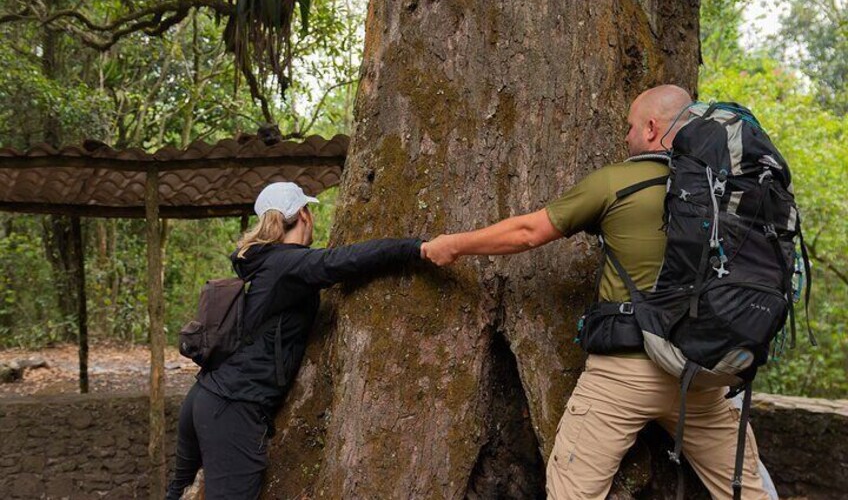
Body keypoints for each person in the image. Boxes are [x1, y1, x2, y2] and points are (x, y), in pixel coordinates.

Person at [421, 85, 771, 499]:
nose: (625, 137)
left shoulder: (618, 182)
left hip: (626, 371)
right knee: (747, 491)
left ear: (652, 128)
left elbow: (528, 232)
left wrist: (454, 244)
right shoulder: (728, 191)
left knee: (574, 492)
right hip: (703, 375)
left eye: (630, 127)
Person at [166, 182, 423, 499]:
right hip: (233, 409)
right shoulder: (288, 264)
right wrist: (415, 247)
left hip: (203, 397)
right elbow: (343, 261)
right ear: (304, 214)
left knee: (177, 491)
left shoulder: (262, 263)